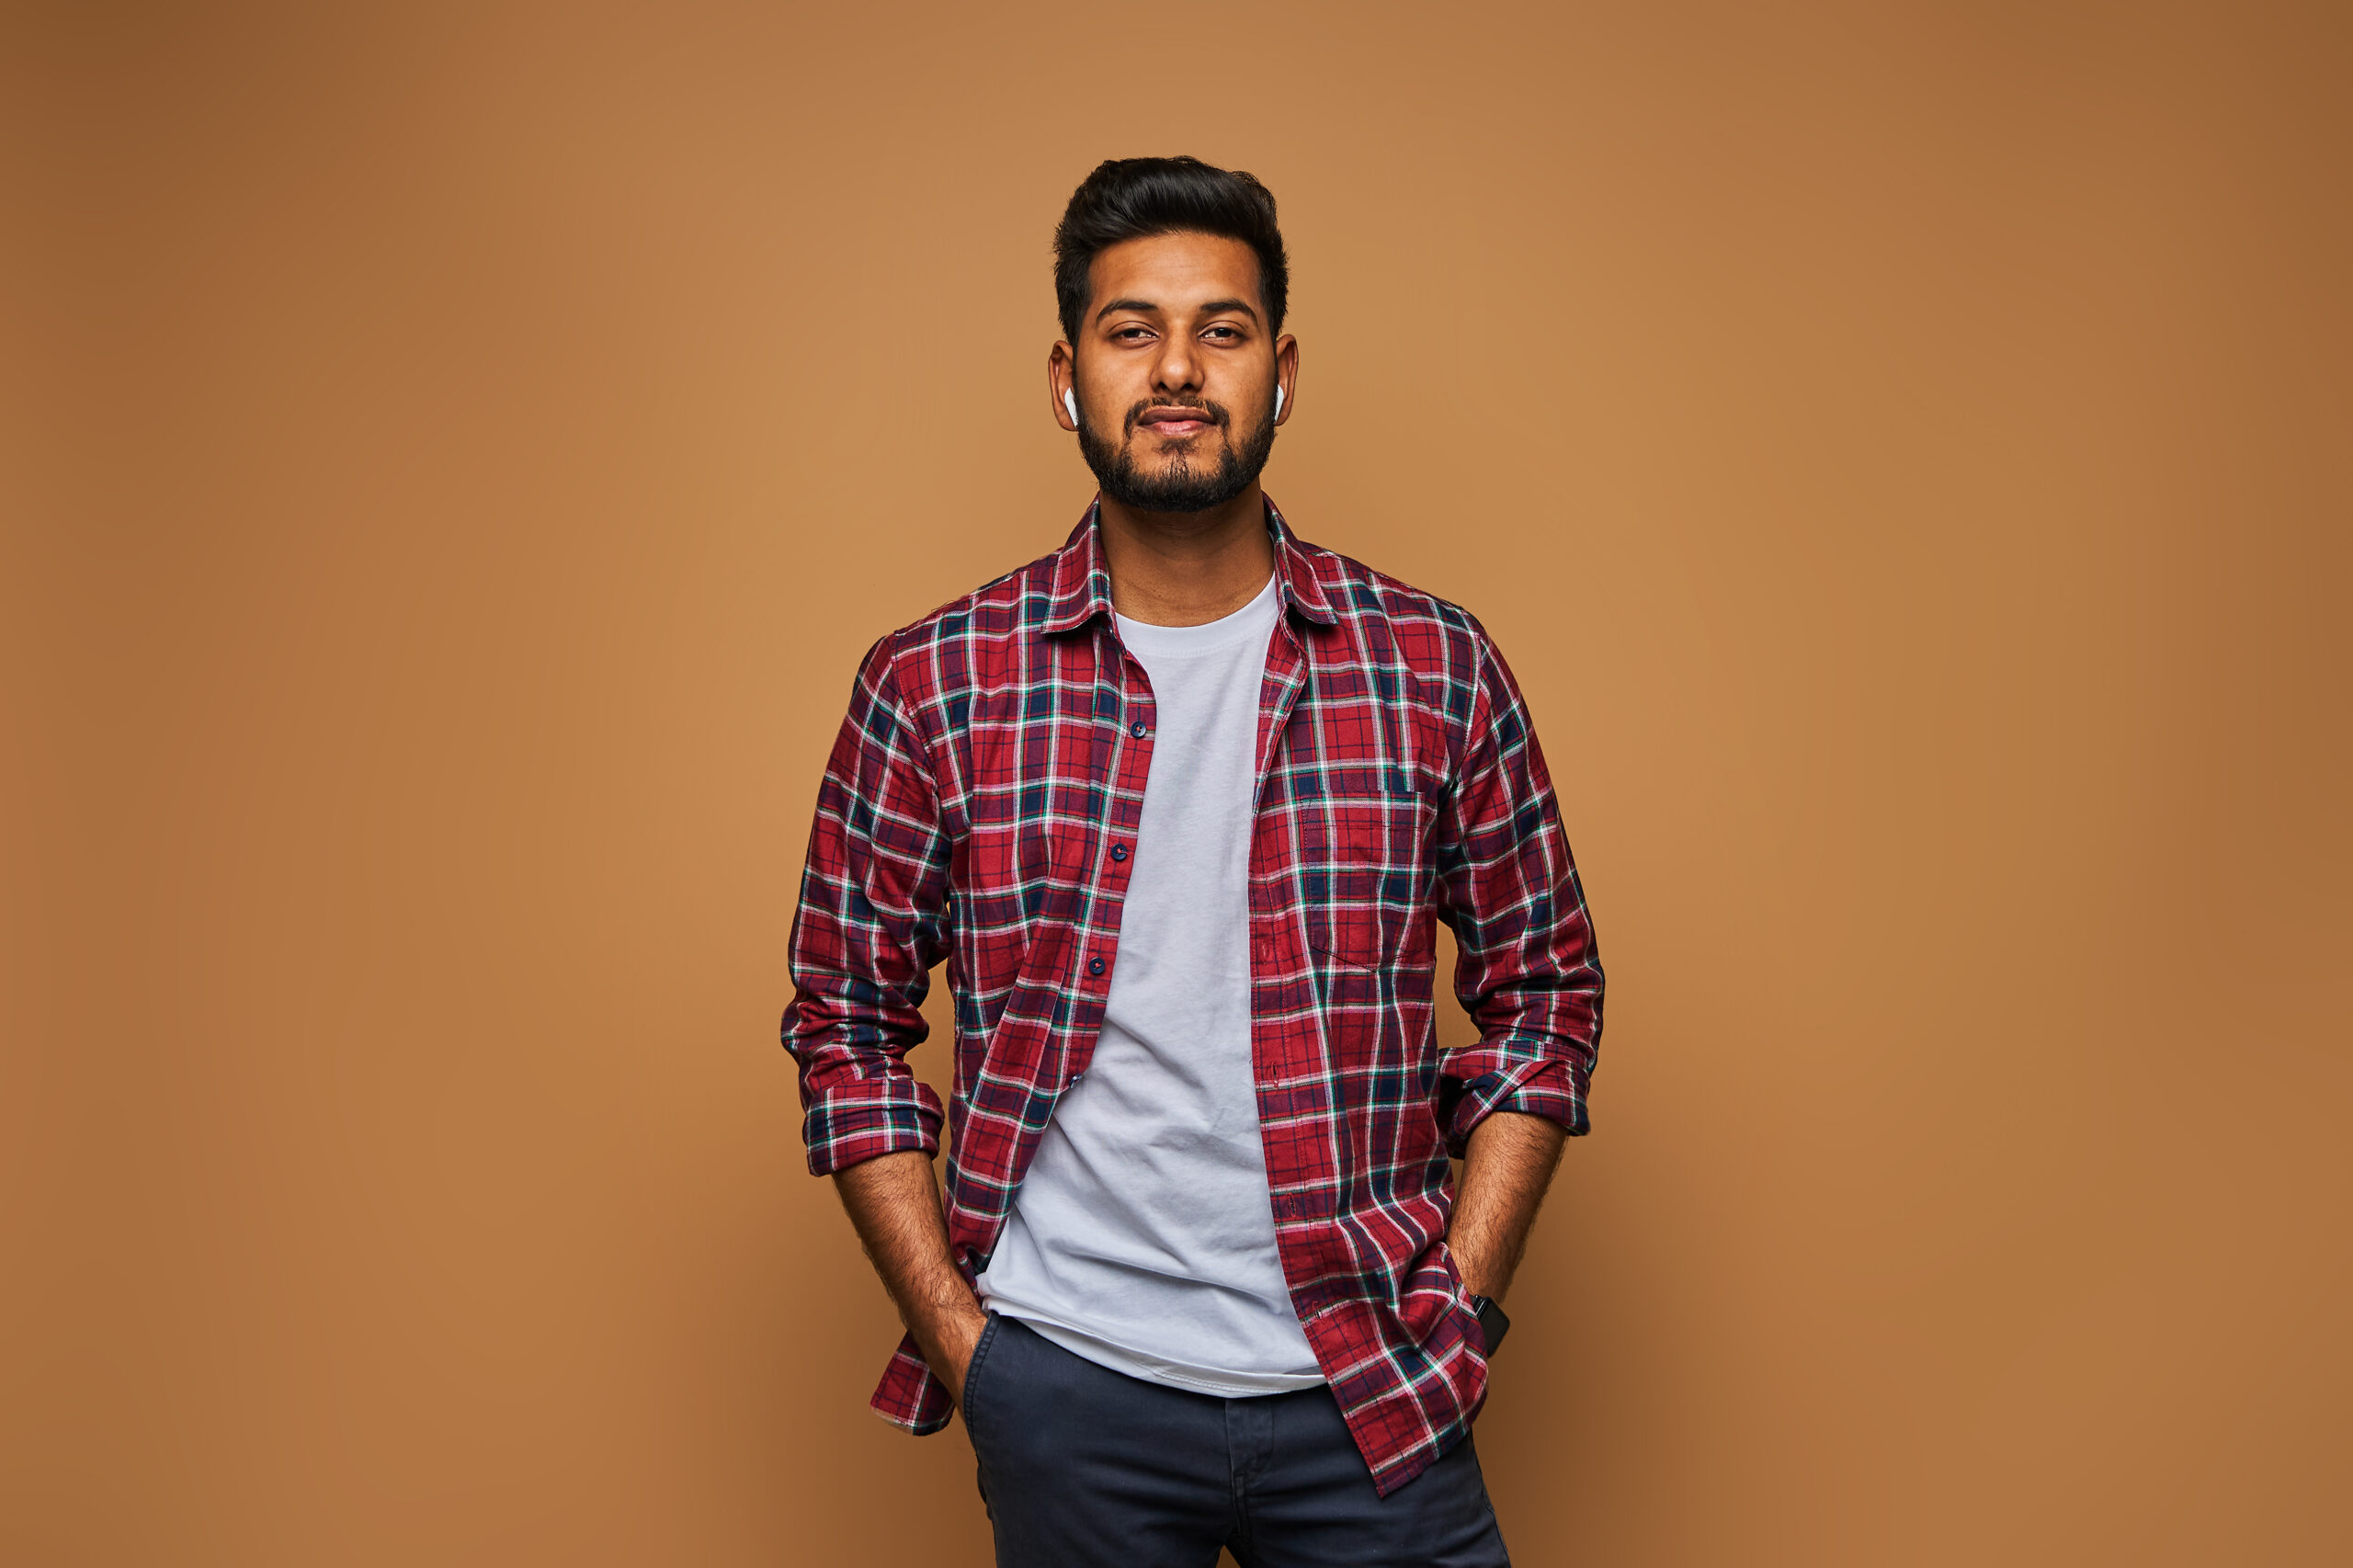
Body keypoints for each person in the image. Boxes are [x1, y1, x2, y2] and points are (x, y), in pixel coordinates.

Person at [781, 154, 1603, 1568]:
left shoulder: (1432, 667)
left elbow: (1548, 994)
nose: (1176, 369)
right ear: (1067, 377)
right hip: (1071, 1391)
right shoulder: (935, 685)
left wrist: (1462, 1291)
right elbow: (843, 1024)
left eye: (1219, 330)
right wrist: (972, 1350)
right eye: (1131, 330)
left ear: (1281, 373)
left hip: (1372, 1384)